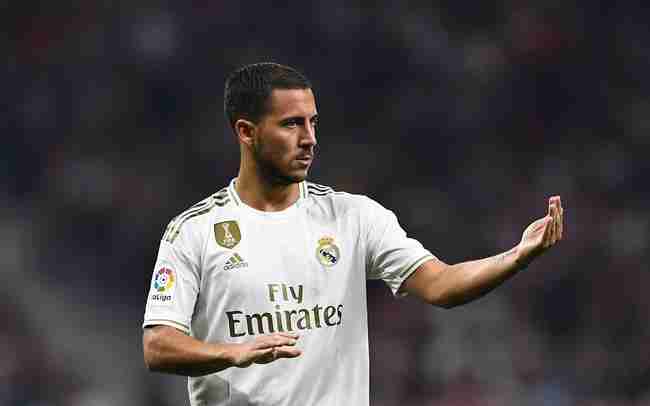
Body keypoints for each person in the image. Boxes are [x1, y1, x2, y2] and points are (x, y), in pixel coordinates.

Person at [142, 62, 564, 405]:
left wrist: (516, 256)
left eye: (313, 123)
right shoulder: (195, 232)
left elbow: (442, 284)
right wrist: (232, 353)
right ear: (247, 132)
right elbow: (158, 345)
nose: (309, 139)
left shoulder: (353, 217)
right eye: (291, 124)